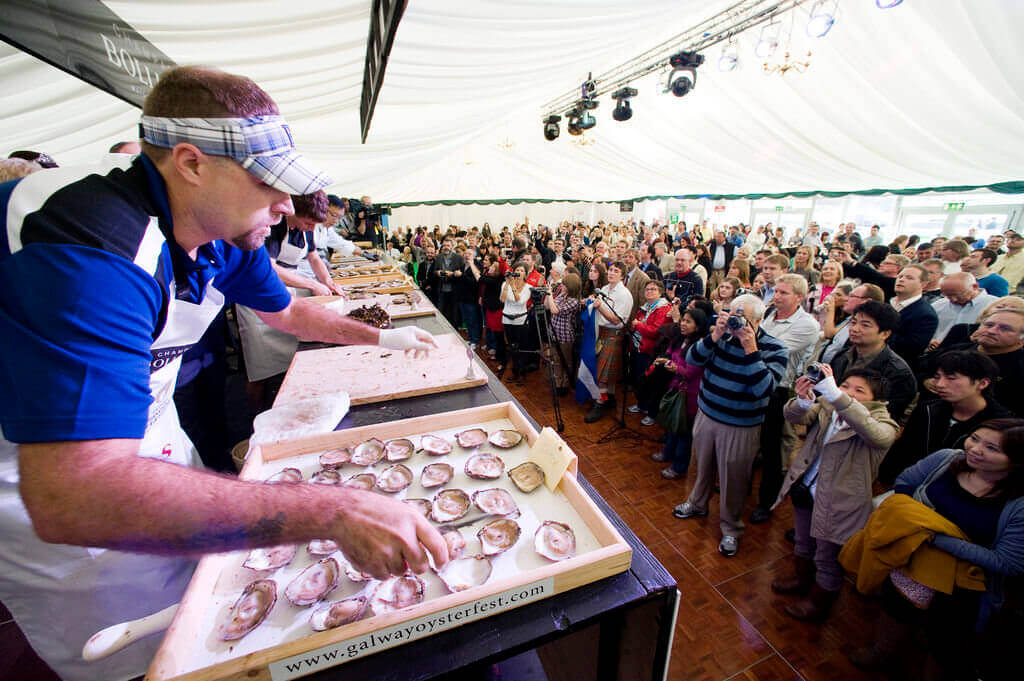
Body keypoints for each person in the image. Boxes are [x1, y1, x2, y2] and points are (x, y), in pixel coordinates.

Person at [0, 65, 446, 681]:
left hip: (147, 429)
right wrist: (333, 510)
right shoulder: (93, 254)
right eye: (268, 182)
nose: (286, 205)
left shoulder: (222, 230)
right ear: (190, 163)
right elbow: (71, 495)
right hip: (39, 462)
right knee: (135, 648)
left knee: (201, 602)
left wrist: (382, 335)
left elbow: (288, 310)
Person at [848, 419, 1024, 681]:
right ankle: (883, 651)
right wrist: (910, 519)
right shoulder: (947, 460)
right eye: (974, 438)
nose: (975, 449)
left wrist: (933, 536)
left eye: (992, 448)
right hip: (909, 561)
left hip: (960, 589)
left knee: (945, 640)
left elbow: (1007, 563)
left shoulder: (1018, 505)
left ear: (1016, 461)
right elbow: (906, 482)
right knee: (896, 609)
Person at [770, 366, 898, 622]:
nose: (848, 392)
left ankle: (819, 606)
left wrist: (837, 397)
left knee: (827, 556)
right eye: (845, 385)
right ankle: (802, 580)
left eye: (859, 390)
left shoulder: (883, 422)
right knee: (803, 542)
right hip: (807, 488)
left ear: (878, 400)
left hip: (839, 501)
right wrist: (804, 400)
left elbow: (879, 437)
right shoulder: (829, 406)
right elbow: (795, 416)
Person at [672, 294, 788, 557]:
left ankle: (731, 528)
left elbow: (764, 390)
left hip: (741, 425)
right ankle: (697, 503)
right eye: (732, 313)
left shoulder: (775, 348)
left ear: (757, 320)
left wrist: (750, 348)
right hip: (707, 414)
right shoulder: (720, 337)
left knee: (733, 480)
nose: (735, 321)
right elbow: (692, 358)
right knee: (701, 466)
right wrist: (715, 334)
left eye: (742, 316)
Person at [235, 191, 344, 410]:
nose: (311, 228)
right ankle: (255, 415)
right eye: (307, 222)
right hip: (258, 299)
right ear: (292, 211)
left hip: (288, 292)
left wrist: (328, 281)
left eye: (315, 224)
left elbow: (313, 257)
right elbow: (269, 268)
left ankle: (284, 404)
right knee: (258, 368)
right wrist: (312, 285)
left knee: (293, 358)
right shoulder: (274, 224)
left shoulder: (307, 228)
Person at [880, 350, 1013, 485]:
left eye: (951, 378)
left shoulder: (1000, 424)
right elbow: (903, 450)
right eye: (937, 377)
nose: (940, 384)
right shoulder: (927, 410)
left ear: (982, 383)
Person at [752, 274, 822, 524]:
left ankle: (767, 500)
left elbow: (769, 349)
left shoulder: (807, 324)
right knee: (752, 440)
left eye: (783, 293)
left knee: (773, 449)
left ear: (799, 297)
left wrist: (748, 341)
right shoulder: (769, 313)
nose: (777, 296)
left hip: (778, 389)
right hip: (754, 381)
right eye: (776, 291)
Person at [829, 301, 917, 425]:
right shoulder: (842, 356)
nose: (855, 329)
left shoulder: (897, 372)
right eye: (853, 323)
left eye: (865, 325)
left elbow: (890, 415)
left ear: (885, 334)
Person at [650, 309, 710, 478]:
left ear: (698, 327)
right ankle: (667, 452)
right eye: (683, 320)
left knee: (684, 430)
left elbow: (691, 372)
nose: (683, 324)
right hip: (676, 387)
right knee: (672, 425)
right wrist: (665, 360)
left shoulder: (701, 346)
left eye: (688, 322)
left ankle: (679, 466)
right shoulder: (680, 339)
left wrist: (675, 367)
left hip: (690, 394)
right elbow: (670, 355)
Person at [584, 261, 634, 423]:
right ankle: (607, 398)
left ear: (622, 275)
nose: (611, 273)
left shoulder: (624, 294)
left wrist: (599, 307)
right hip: (601, 333)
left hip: (613, 334)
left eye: (616, 271)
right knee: (601, 373)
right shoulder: (605, 289)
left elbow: (615, 320)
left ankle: (600, 403)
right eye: (610, 270)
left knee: (602, 375)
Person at [628, 280, 672, 425]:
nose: (649, 292)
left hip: (651, 350)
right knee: (639, 378)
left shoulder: (663, 308)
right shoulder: (645, 306)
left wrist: (639, 325)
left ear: (660, 292)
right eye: (647, 289)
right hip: (639, 346)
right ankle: (641, 405)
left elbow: (656, 331)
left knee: (650, 382)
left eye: (653, 289)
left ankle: (651, 412)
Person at [927, 272, 998, 349]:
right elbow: (924, 327)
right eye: (948, 295)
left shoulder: (994, 305)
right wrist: (929, 340)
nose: (953, 300)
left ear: (975, 286)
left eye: (958, 295)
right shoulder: (939, 304)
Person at [889, 263, 939, 366]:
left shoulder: (926, 315)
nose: (901, 280)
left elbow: (909, 350)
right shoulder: (886, 301)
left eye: (909, 278)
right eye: (900, 276)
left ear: (923, 284)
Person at [544, 273, 582, 395]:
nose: (562, 286)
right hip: (555, 333)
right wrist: (548, 294)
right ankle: (558, 383)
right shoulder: (562, 294)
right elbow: (547, 306)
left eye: (564, 284)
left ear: (570, 287)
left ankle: (565, 385)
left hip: (565, 336)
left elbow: (555, 310)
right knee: (556, 360)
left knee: (566, 361)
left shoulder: (574, 301)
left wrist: (550, 294)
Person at [500, 262, 532, 382]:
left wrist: (512, 285)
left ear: (525, 274)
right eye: (517, 270)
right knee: (512, 347)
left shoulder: (528, 287)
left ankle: (522, 373)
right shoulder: (505, 284)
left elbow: (519, 301)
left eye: (522, 271)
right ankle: (514, 371)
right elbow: (502, 299)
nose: (519, 272)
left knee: (521, 347)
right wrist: (508, 284)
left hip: (520, 320)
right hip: (507, 318)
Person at [479, 254, 506, 362]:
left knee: (499, 335)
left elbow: (480, 278)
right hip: (491, 309)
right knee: (494, 332)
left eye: (492, 267)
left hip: (497, 311)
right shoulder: (491, 277)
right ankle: (498, 355)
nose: (489, 268)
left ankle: (501, 357)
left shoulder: (496, 280)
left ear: (496, 270)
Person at [662, 248, 705, 312]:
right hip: (665, 311)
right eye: (677, 260)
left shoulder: (696, 279)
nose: (679, 262)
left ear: (689, 261)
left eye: (682, 260)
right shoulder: (667, 277)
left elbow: (696, 302)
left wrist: (674, 301)